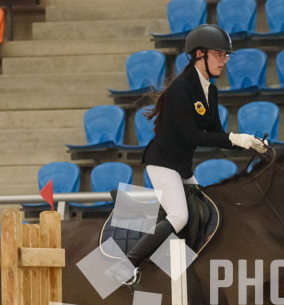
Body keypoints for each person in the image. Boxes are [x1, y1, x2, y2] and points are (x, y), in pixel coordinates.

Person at [106, 24, 267, 286]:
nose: (223, 61)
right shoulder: (181, 88)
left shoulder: (210, 90)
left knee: (205, 208)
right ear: (199, 55)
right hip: (161, 162)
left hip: (180, 166)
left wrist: (248, 143)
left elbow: (216, 133)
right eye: (219, 55)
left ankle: (178, 263)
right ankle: (126, 267)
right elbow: (193, 136)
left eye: (226, 56)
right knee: (179, 216)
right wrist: (235, 138)